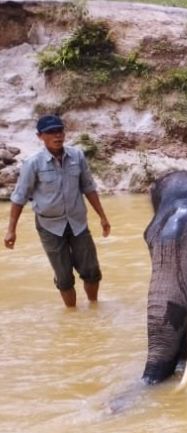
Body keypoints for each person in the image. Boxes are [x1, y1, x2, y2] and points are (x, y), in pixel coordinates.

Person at [5, 114, 111, 307]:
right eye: (51, 132)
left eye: (60, 131)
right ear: (40, 136)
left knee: (92, 271)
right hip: (49, 226)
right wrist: (11, 229)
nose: (57, 136)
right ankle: (72, 315)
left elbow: (88, 187)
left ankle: (94, 307)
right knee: (64, 277)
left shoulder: (77, 156)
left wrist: (102, 217)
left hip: (78, 222)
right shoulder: (33, 163)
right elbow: (19, 197)